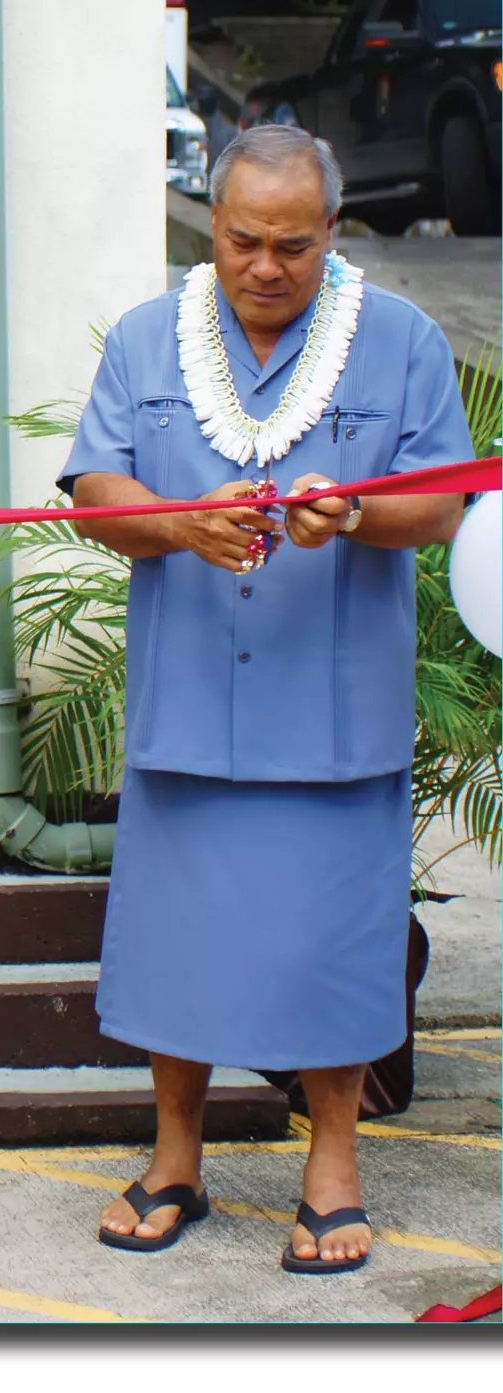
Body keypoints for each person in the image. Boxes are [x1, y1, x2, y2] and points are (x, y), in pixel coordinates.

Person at [63, 123, 470, 1274]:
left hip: (331, 715)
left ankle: (330, 1164)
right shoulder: (146, 337)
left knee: (329, 948)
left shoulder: (398, 340)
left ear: (330, 232)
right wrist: (173, 522)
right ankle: (172, 1157)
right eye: (242, 239)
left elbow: (441, 502)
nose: (262, 265)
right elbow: (93, 488)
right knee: (175, 946)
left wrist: (354, 513)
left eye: (291, 245)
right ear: (212, 221)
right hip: (186, 703)